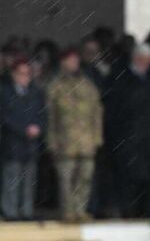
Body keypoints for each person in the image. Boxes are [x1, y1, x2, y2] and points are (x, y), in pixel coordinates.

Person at [104, 43, 150, 218]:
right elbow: (114, 110)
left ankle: (149, 212)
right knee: (128, 178)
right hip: (127, 139)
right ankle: (128, 212)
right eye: (144, 60)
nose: (147, 64)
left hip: (149, 139)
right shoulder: (120, 77)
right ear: (136, 59)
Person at [46, 48, 102, 222]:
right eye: (70, 60)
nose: (74, 64)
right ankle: (68, 211)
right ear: (63, 62)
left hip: (86, 141)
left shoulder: (88, 85)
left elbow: (97, 112)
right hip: (65, 140)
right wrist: (52, 140)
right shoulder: (55, 86)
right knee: (66, 179)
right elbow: (50, 116)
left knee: (85, 176)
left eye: (76, 60)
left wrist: (97, 137)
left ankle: (80, 209)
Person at [0, 58, 47, 221]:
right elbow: (5, 118)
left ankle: (27, 211)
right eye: (21, 73)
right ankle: (10, 212)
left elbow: (43, 114)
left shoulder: (36, 92)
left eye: (28, 74)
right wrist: (23, 130)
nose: (25, 77)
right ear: (13, 75)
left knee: (28, 180)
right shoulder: (4, 92)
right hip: (13, 143)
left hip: (31, 145)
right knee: (12, 179)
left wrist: (38, 128)